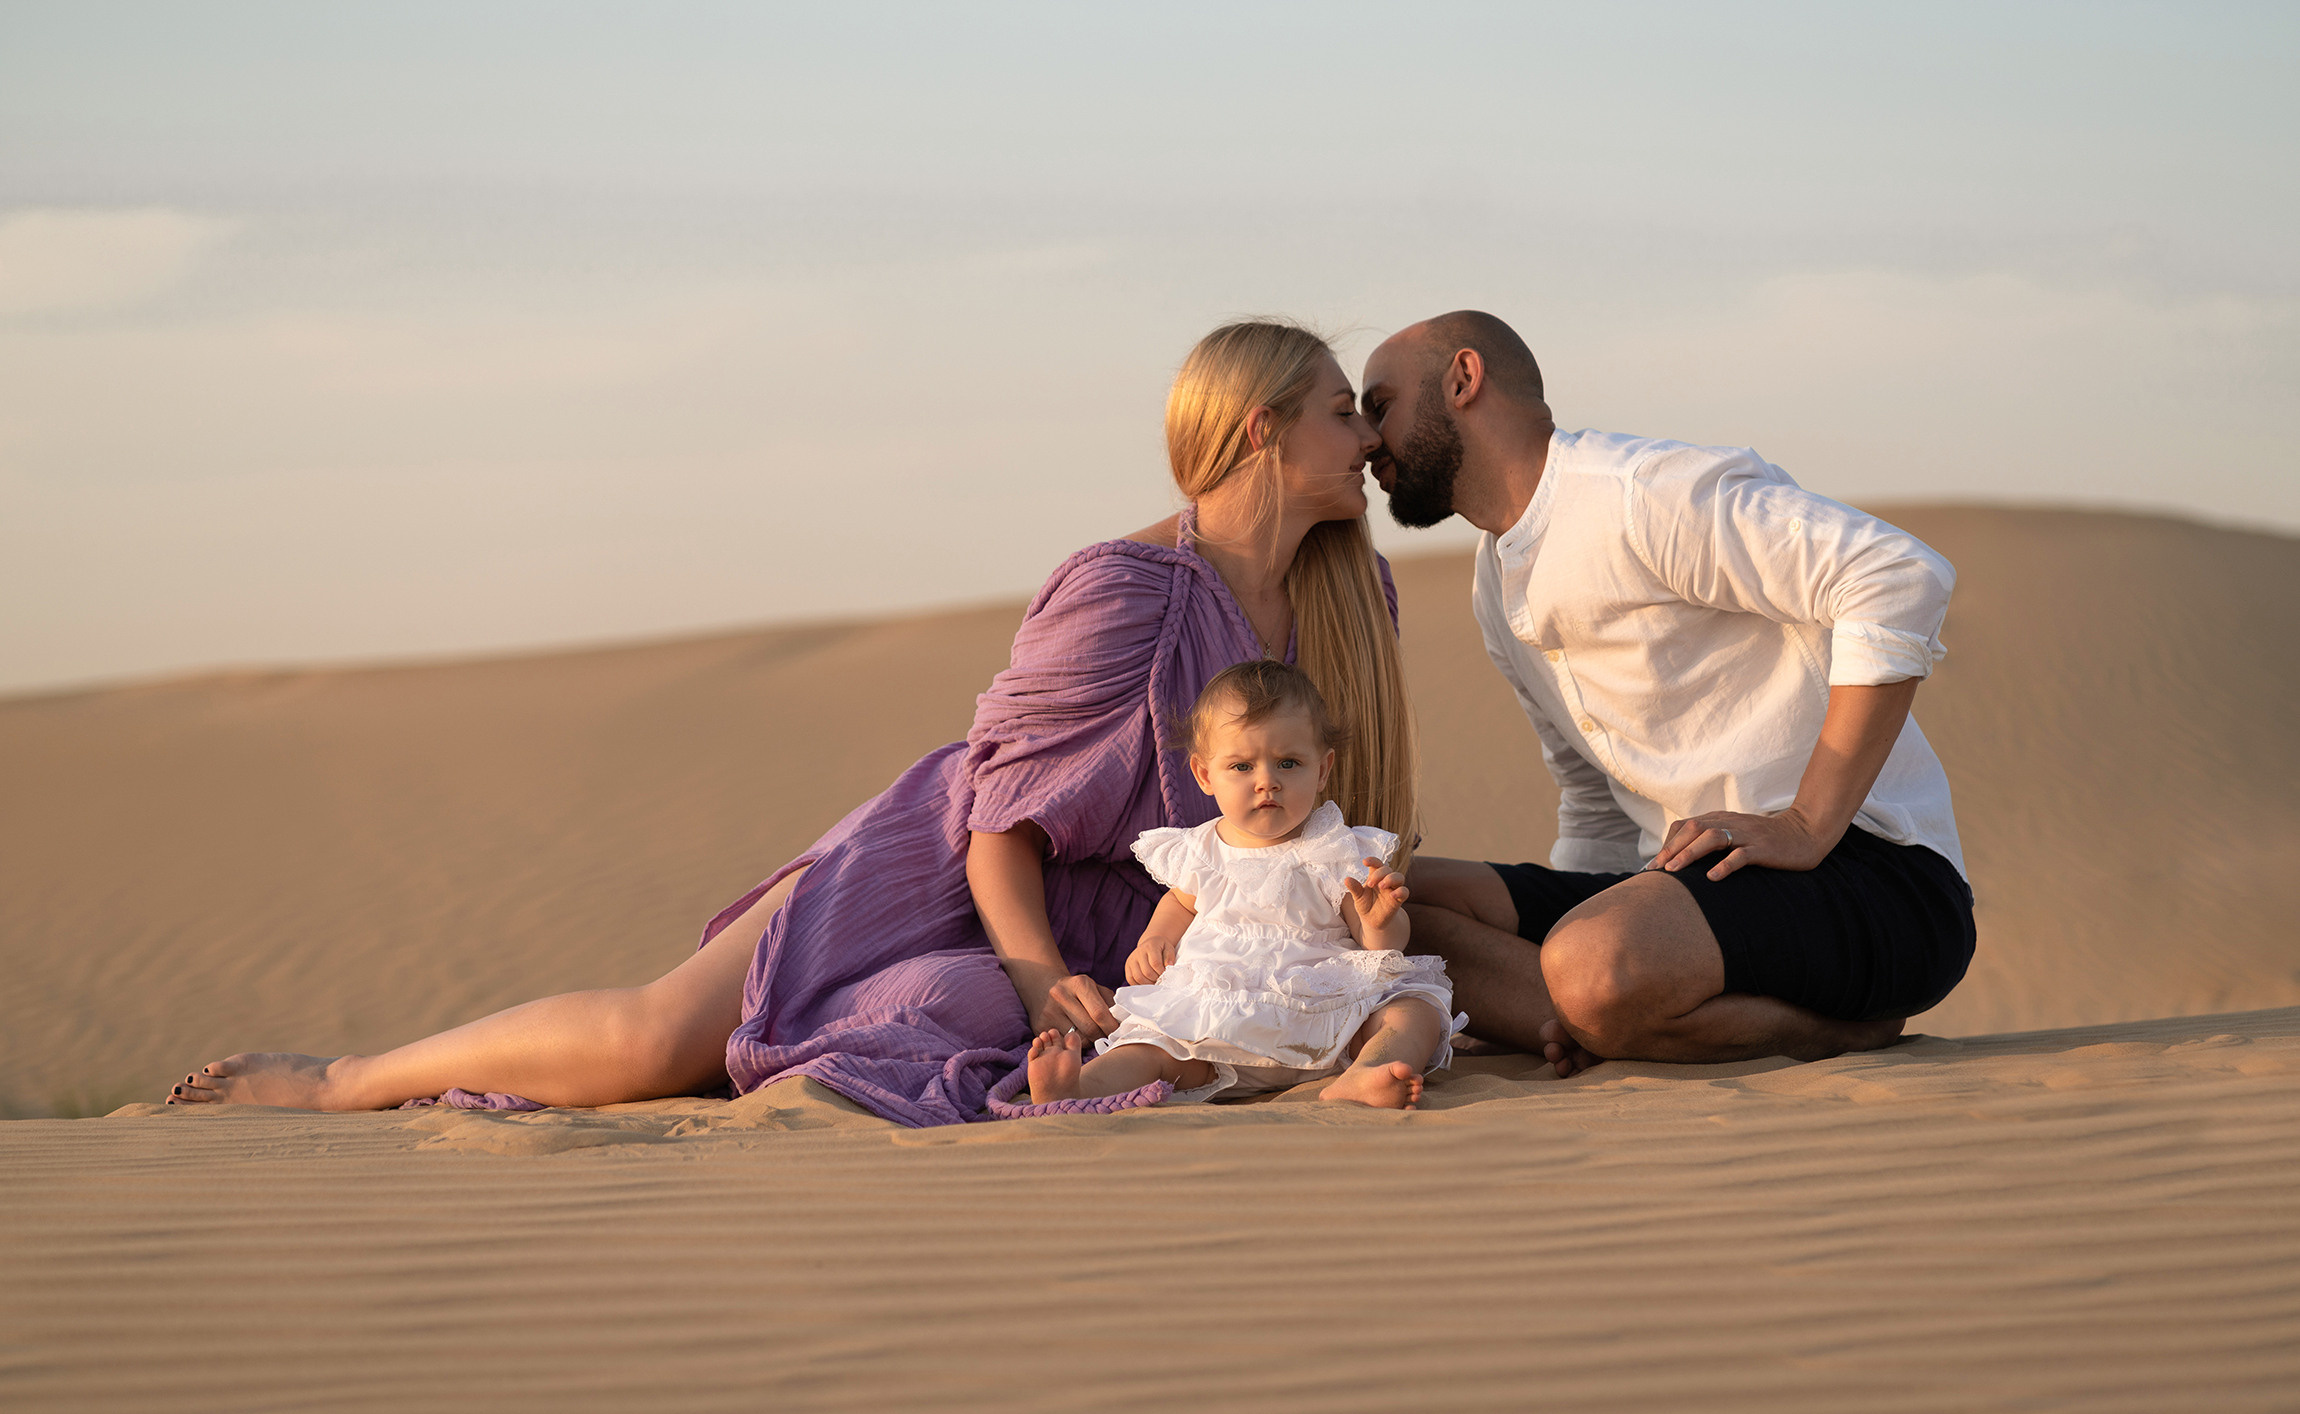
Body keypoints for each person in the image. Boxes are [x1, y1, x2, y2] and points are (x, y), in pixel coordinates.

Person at [166, 320, 1422, 1128]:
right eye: (1337, 412)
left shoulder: (1346, 595)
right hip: (947, 874)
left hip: (1150, 919)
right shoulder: (1121, 590)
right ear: (1260, 430)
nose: (1364, 440)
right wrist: (1041, 979)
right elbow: (994, 824)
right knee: (665, 1034)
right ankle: (343, 1080)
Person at [1360, 310, 1975, 1078]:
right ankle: (1591, 1017)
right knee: (1380, 902)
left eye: (1378, 405)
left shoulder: (1639, 493)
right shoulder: (1496, 581)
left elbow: (1895, 574)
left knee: (1589, 965)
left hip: (1874, 875)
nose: (1364, 440)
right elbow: (1591, 798)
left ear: (1462, 379)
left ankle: (1828, 1032)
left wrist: (1809, 821)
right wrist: (1577, 937)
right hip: (1693, 882)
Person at [1022, 660, 1459, 1113]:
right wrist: (1154, 941)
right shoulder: (1200, 850)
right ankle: (1078, 1089)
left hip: (1329, 1022)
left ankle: (1370, 1071)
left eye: (1289, 763)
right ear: (1205, 775)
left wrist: (1380, 919)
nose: (1266, 780)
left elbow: (1380, 948)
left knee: (1413, 1008)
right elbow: (1180, 903)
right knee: (1152, 1048)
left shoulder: (1336, 849)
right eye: (1242, 765)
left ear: (1323, 770)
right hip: (1220, 1029)